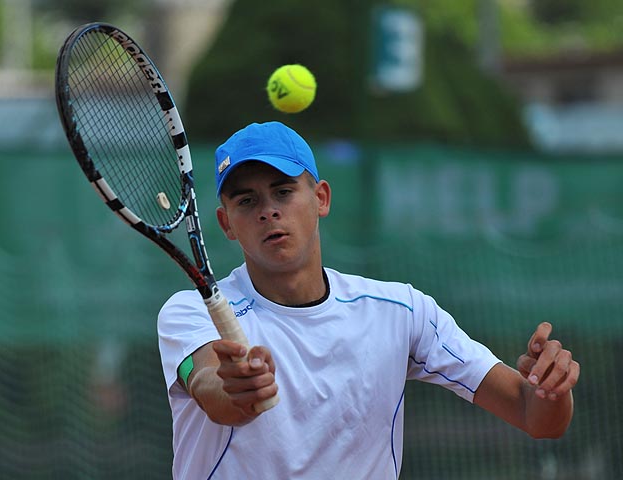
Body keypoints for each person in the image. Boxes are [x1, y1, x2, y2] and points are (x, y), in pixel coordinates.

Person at [157, 121, 580, 479]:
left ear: (321, 198)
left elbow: (534, 416)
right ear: (226, 223)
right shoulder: (190, 312)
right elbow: (207, 385)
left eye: (283, 191)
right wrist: (234, 389)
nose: (268, 211)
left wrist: (550, 391)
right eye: (247, 201)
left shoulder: (402, 312)